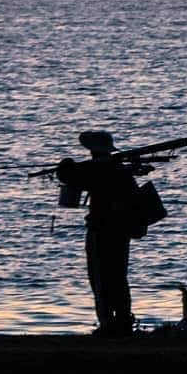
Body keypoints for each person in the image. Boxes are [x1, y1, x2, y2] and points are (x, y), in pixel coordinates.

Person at [56, 131, 140, 337]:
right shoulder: (121, 171)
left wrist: (66, 163)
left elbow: (66, 175)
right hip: (121, 231)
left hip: (101, 230)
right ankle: (123, 320)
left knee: (100, 278)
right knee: (119, 277)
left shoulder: (92, 170)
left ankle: (107, 323)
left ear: (92, 151)